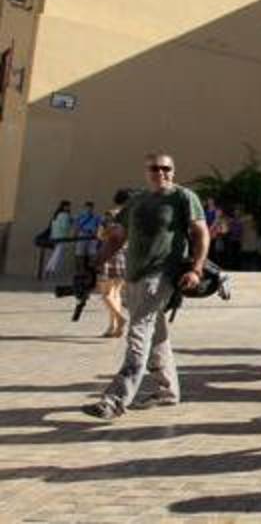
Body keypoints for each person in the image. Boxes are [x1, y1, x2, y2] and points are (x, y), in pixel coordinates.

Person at [83, 153, 208, 419]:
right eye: (155, 168)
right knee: (156, 332)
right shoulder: (137, 201)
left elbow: (201, 233)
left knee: (138, 335)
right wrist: (94, 264)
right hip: (134, 277)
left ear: (173, 171)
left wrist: (196, 269)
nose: (161, 172)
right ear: (147, 171)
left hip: (161, 276)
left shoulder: (183, 197)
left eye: (166, 168)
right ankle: (167, 391)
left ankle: (114, 400)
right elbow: (117, 237)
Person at [93, 190, 132, 339]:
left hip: (109, 254)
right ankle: (113, 327)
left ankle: (120, 319)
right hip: (125, 254)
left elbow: (100, 234)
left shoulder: (110, 214)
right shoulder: (131, 216)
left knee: (105, 293)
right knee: (116, 292)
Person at [43, 200, 73, 279]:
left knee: (56, 253)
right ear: (64, 207)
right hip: (62, 237)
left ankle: (49, 269)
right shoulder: (65, 215)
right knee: (58, 254)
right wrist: (70, 222)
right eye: (68, 206)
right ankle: (50, 270)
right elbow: (64, 227)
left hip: (55, 237)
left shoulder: (56, 215)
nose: (69, 207)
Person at [72, 202, 103, 274]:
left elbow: (100, 224)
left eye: (90, 208)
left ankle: (91, 270)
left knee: (93, 253)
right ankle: (80, 270)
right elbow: (76, 224)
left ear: (92, 208)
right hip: (82, 235)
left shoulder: (96, 216)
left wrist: (97, 233)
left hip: (92, 236)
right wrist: (75, 233)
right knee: (79, 253)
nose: (89, 209)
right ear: (85, 208)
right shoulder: (80, 215)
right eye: (87, 208)